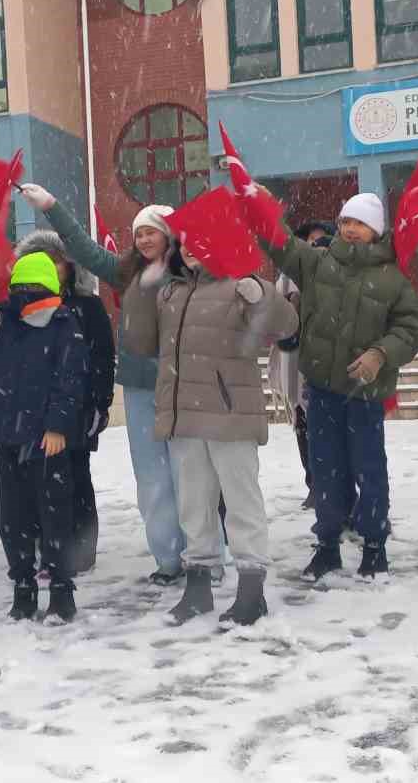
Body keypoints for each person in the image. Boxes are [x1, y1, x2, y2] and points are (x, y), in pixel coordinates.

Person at [15, 183, 188, 586]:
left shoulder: (189, 273)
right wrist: (51, 205)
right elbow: (83, 248)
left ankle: (204, 553)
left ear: (169, 234)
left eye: (152, 231)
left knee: (190, 474)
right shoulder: (127, 273)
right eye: (139, 233)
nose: (144, 239)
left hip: (184, 386)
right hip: (141, 389)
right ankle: (168, 558)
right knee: (152, 478)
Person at [124, 237, 297, 625]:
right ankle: (198, 588)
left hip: (230, 416)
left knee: (241, 502)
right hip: (185, 417)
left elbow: (287, 325)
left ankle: (251, 591)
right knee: (194, 506)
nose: (189, 249)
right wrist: (140, 288)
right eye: (184, 243)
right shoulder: (171, 292)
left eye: (199, 242)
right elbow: (140, 342)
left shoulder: (238, 285)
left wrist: (262, 296)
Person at [255, 193, 418, 582]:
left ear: (376, 230)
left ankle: (374, 548)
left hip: (364, 395)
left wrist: (380, 354)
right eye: (346, 221)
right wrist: (261, 205)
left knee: (369, 471)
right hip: (322, 391)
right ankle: (327, 546)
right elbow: (280, 244)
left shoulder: (392, 278)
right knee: (326, 470)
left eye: (360, 223)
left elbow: (411, 330)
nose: (350, 229)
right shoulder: (318, 263)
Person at [0, 242, 88, 623]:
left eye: (32, 289)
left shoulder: (65, 325)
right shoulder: (5, 322)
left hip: (47, 440)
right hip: (8, 438)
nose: (26, 297)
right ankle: (23, 587)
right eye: (20, 289)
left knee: (54, 515)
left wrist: (57, 426)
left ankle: (61, 589)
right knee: (13, 519)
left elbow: (70, 380)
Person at [14, 230, 117, 574]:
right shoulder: (20, 310)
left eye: (56, 261)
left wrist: (101, 403)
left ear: (70, 267)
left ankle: (81, 549)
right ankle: (50, 548)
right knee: (39, 483)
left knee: (76, 477)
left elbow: (103, 357)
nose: (50, 267)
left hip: (78, 406)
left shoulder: (87, 306)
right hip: (33, 413)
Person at [271, 222, 333, 510]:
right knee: (302, 422)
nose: (314, 246)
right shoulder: (286, 278)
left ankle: (331, 484)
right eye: (309, 241)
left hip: (325, 361)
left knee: (325, 425)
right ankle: (313, 482)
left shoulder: (333, 273)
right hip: (294, 359)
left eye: (320, 241)